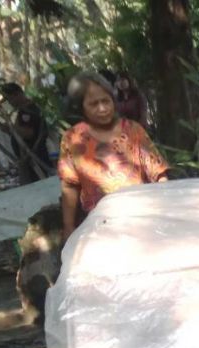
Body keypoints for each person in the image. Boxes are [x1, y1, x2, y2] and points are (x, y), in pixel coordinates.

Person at [58, 72, 167, 240]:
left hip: (143, 220)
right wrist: (68, 227)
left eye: (106, 101)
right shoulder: (72, 140)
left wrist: (166, 211)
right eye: (94, 104)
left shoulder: (133, 130)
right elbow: (70, 186)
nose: (102, 108)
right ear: (81, 107)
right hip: (101, 228)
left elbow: (159, 174)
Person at [0, 82, 52, 184]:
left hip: (34, 158)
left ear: (17, 94)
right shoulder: (22, 111)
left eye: (9, 98)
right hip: (28, 158)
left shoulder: (29, 110)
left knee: (37, 186)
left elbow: (29, 133)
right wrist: (9, 131)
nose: (9, 102)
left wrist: (11, 127)